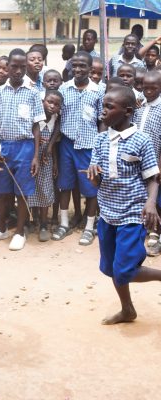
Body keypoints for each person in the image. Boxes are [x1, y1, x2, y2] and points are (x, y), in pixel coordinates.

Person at [87, 85, 161, 325]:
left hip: (132, 213)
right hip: (108, 213)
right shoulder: (99, 140)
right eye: (103, 105)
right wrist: (94, 173)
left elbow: (152, 177)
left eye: (110, 106)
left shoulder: (141, 140)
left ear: (127, 111)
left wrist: (151, 203)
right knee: (110, 268)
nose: (103, 110)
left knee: (125, 270)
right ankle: (127, 309)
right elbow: (98, 180)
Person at [0, 48, 46, 251]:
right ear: (7, 67)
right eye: (14, 66)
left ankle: (19, 231)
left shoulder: (33, 93)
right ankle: (1, 228)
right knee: (2, 192)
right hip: (3, 147)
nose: (18, 71)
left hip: (25, 147)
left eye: (22, 67)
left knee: (22, 192)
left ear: (26, 67)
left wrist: (36, 155)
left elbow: (37, 126)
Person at [52, 51, 102, 246]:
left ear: (90, 69)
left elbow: (102, 123)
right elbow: (59, 119)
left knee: (91, 188)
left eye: (83, 66)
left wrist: (99, 148)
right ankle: (64, 223)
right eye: (75, 66)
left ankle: (89, 227)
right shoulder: (64, 89)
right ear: (70, 67)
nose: (78, 69)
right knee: (64, 185)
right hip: (67, 144)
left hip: (89, 146)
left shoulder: (98, 91)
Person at [132, 71, 161, 255]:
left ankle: (157, 233)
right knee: (145, 196)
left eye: (154, 88)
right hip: (140, 161)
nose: (148, 91)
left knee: (158, 198)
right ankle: (149, 229)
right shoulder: (140, 106)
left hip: (157, 160)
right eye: (145, 87)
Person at [28, 90, 62, 241]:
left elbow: (53, 144)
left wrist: (54, 160)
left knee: (45, 188)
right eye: (49, 102)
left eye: (56, 104)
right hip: (32, 156)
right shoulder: (35, 118)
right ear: (42, 101)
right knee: (31, 187)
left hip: (46, 159)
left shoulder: (55, 118)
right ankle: (31, 219)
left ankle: (43, 223)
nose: (52, 106)